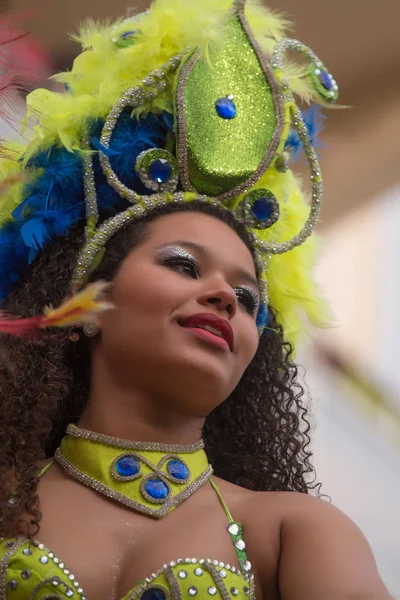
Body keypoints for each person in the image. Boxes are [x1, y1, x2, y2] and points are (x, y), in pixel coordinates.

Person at [0, 0, 391, 599]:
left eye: (246, 297)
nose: (224, 299)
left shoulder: (294, 534)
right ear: (86, 301)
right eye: (183, 265)